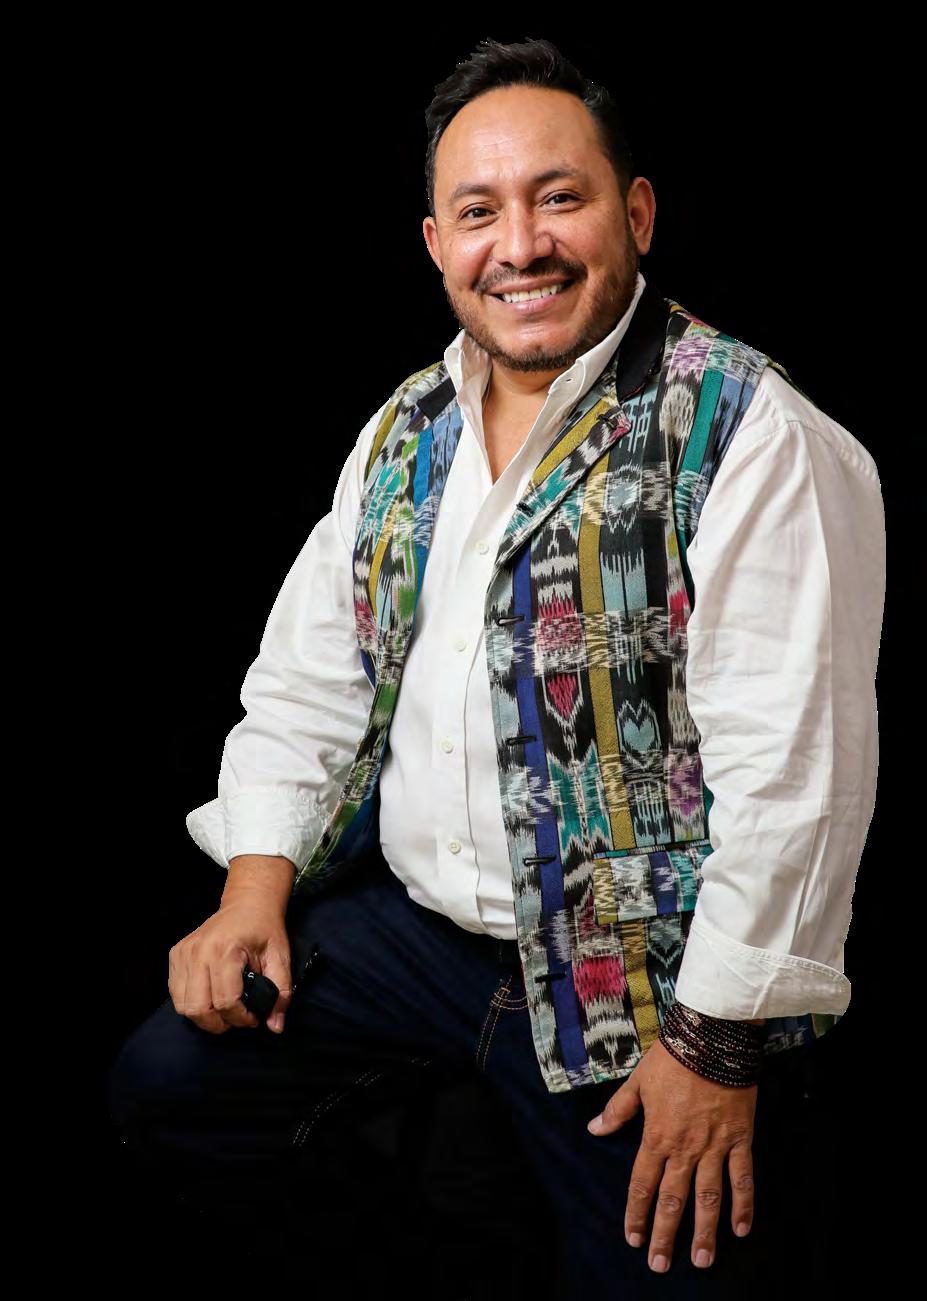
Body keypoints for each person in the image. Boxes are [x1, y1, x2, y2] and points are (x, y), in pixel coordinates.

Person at [107, 36, 886, 1294]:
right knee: (168, 1084)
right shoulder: (406, 427)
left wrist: (714, 1048)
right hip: (419, 942)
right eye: (480, 213)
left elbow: (800, 784)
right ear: (437, 243)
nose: (520, 246)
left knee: (663, 1273)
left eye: (558, 197)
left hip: (637, 979)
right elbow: (311, 678)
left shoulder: (751, 433)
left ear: (636, 213)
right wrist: (253, 887)